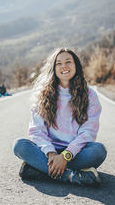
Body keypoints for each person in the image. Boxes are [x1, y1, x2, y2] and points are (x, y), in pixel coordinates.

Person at [13, 48, 107, 187]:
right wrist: (51, 154)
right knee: (20, 146)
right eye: (59, 63)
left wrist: (65, 156)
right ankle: (70, 176)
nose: (64, 66)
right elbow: (37, 131)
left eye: (68, 62)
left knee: (99, 151)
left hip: (76, 153)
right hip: (46, 152)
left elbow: (88, 132)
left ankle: (40, 169)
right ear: (53, 68)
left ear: (76, 66)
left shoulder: (90, 96)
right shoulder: (43, 95)